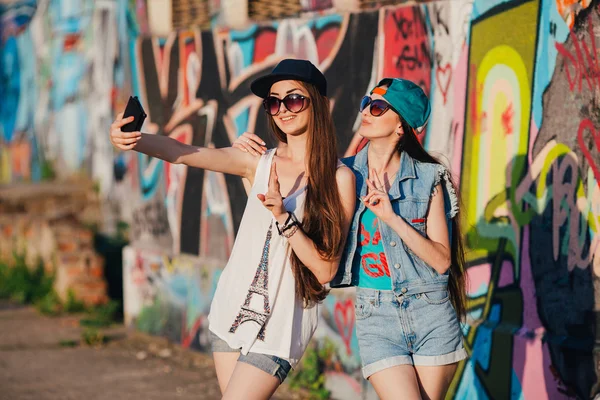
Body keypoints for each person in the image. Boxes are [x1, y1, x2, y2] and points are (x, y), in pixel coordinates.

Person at [109, 59, 356, 400]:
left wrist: (285, 218)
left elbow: (326, 269)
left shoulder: (339, 179)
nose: (283, 109)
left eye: (294, 99)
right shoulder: (256, 162)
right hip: (231, 308)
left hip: (282, 325)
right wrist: (134, 140)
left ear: (317, 103)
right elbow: (184, 154)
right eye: (273, 102)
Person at [233, 78, 467, 400]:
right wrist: (255, 160)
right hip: (376, 315)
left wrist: (391, 218)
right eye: (367, 103)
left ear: (401, 125)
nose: (366, 111)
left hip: (431, 311)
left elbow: (442, 260)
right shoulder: (344, 175)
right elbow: (286, 198)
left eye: (378, 107)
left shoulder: (428, 177)